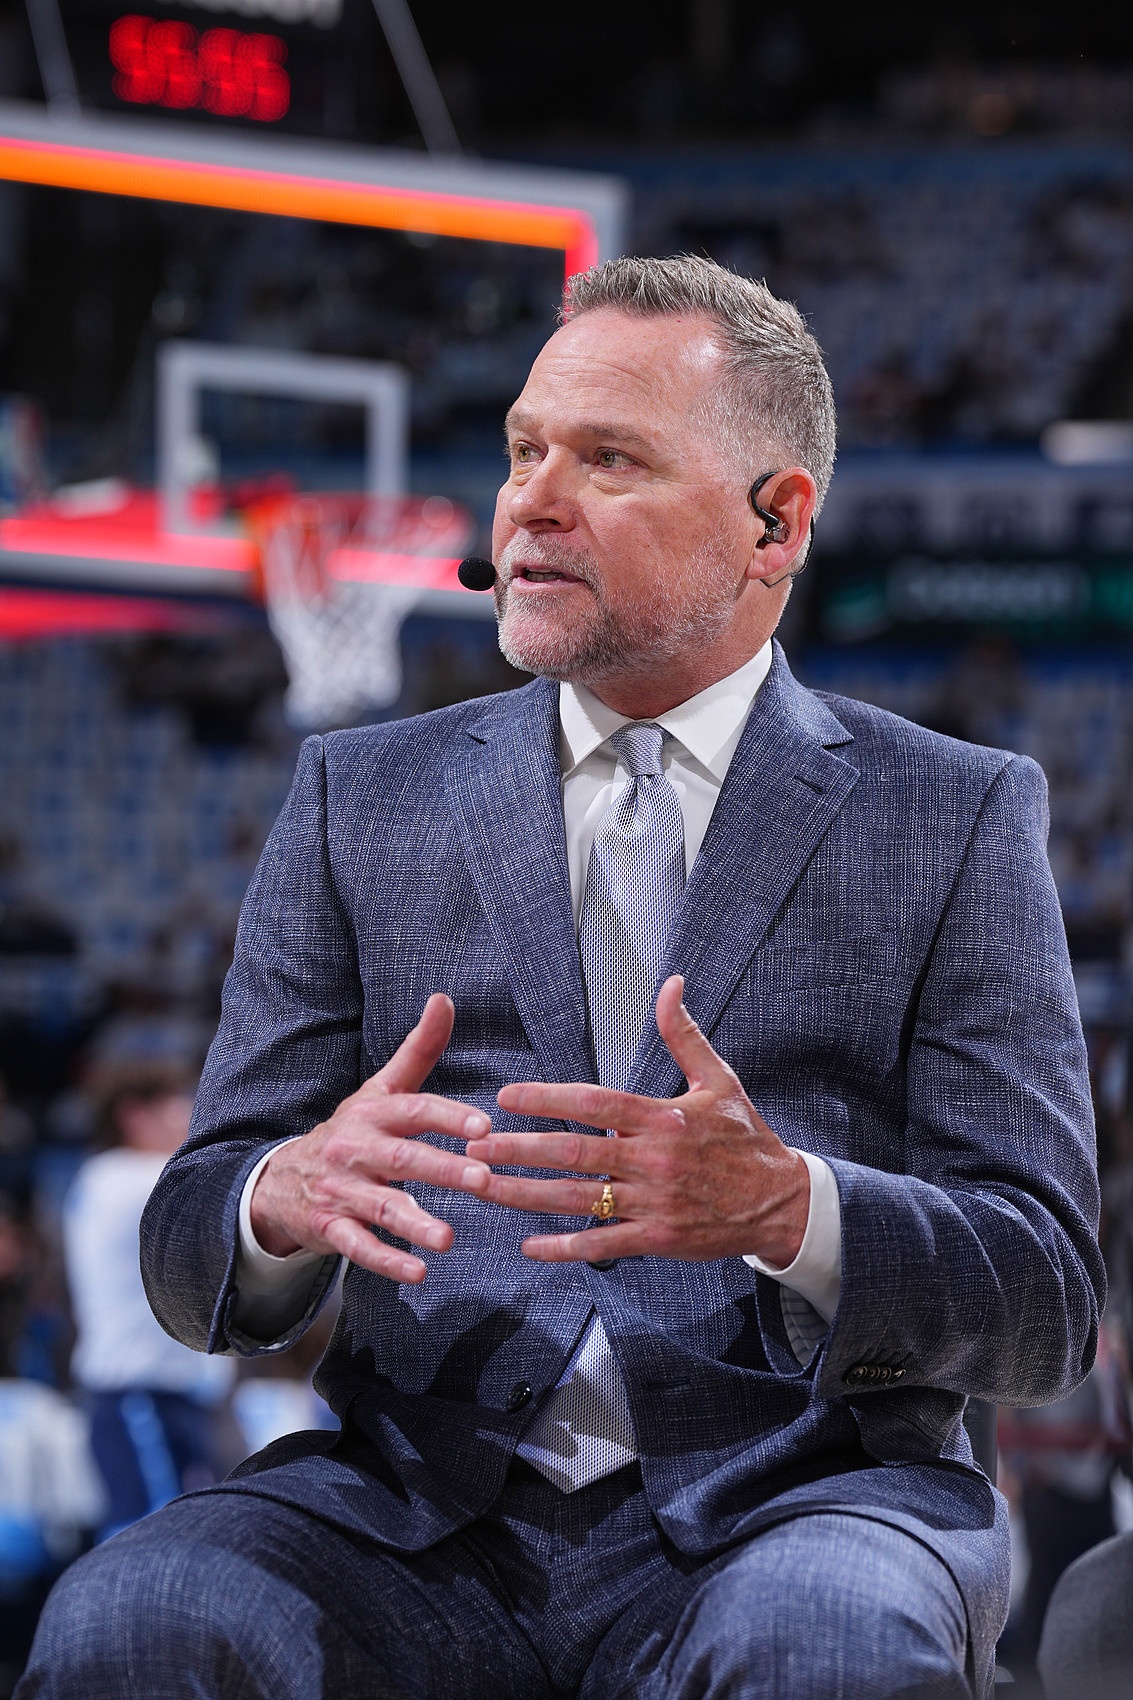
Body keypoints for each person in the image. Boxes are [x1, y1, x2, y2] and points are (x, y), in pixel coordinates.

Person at [19, 255, 1103, 1700]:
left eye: (609, 458)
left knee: (826, 1640)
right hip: (410, 1509)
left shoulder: (951, 812)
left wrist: (791, 1208)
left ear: (774, 521)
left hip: (804, 1497)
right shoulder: (357, 795)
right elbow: (188, 1242)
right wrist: (280, 1193)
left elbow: (1043, 1296)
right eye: (524, 448)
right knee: (133, 1612)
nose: (531, 497)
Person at [60, 1064, 234, 1538]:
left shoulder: (105, 1179)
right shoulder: (128, 1179)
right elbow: (239, 1192)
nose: (188, 1118)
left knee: (166, 1539)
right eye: (175, 1106)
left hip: (159, 1397)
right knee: (156, 1541)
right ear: (134, 1115)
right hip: (143, 1397)